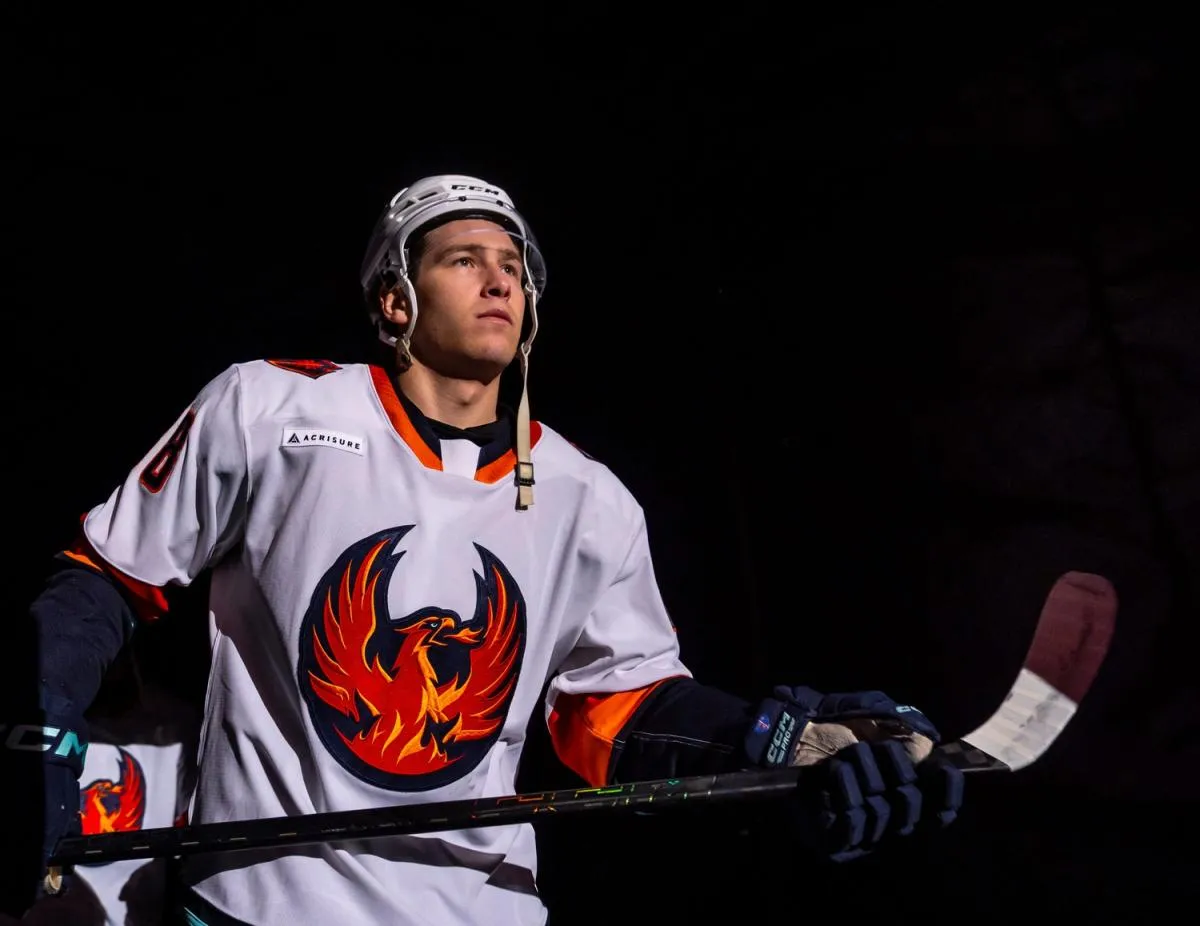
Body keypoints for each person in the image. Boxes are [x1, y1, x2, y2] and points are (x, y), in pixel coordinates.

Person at [10, 174, 964, 925]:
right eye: (465, 259)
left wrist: (778, 743)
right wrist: (35, 724)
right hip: (254, 904)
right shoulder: (271, 409)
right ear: (395, 302)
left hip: (484, 908)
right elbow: (107, 581)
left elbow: (613, 716)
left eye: (514, 266)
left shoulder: (591, 500)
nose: (501, 278)